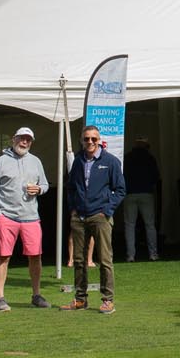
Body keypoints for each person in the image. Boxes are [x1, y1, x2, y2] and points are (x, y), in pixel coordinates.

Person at [0, 126, 51, 311]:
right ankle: (0, 298)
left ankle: (36, 295)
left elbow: (45, 184)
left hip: (31, 217)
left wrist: (39, 189)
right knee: (4, 256)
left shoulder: (36, 161)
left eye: (28, 139)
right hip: (7, 217)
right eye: (22, 138)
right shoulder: (0, 162)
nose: (24, 142)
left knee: (35, 256)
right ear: (14, 139)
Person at [60, 125, 126, 313]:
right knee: (79, 260)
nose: (90, 142)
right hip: (79, 216)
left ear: (99, 141)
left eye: (93, 139)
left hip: (100, 216)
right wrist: (73, 209)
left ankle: (108, 300)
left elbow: (120, 190)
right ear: (82, 140)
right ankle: (80, 299)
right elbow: (71, 187)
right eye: (86, 139)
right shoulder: (78, 161)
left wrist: (107, 210)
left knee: (105, 259)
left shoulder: (110, 161)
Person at [122, 136, 160, 262]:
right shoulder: (150, 158)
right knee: (150, 225)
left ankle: (130, 255)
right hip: (146, 192)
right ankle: (153, 253)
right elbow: (155, 177)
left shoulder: (127, 157)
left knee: (130, 225)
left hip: (130, 193)